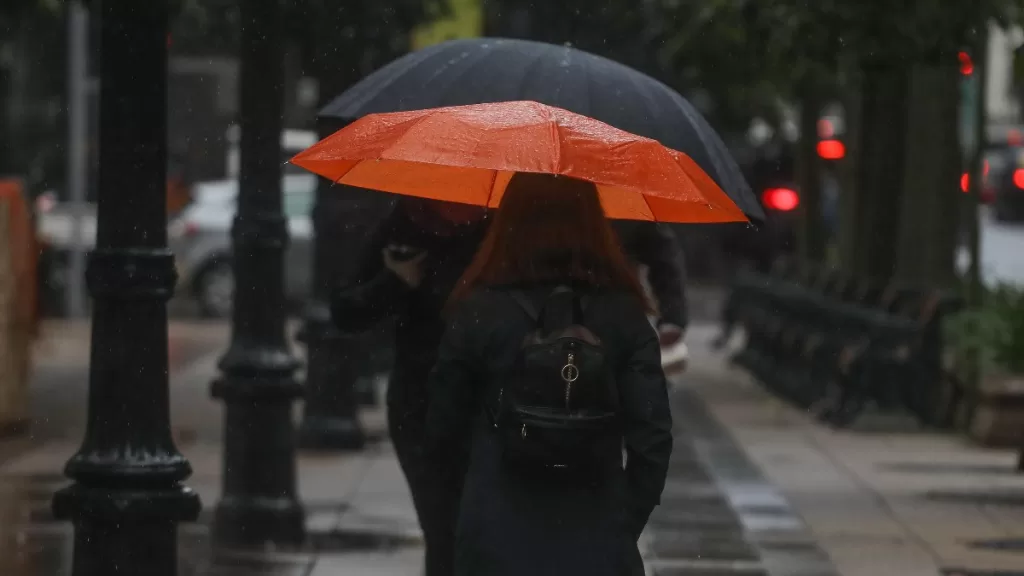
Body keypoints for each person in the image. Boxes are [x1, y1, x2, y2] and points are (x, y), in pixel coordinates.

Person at [425, 172, 673, 575]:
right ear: (595, 225)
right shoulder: (624, 316)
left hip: (496, 529)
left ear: (510, 224)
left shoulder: (478, 311)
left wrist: (468, 513)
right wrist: (623, 523)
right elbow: (653, 437)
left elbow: (442, 432)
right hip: (596, 528)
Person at [330, 196, 489, 576]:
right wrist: (395, 280)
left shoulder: (503, 227)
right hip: (421, 402)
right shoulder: (408, 220)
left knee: (480, 531)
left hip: (489, 402)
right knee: (442, 528)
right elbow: (347, 311)